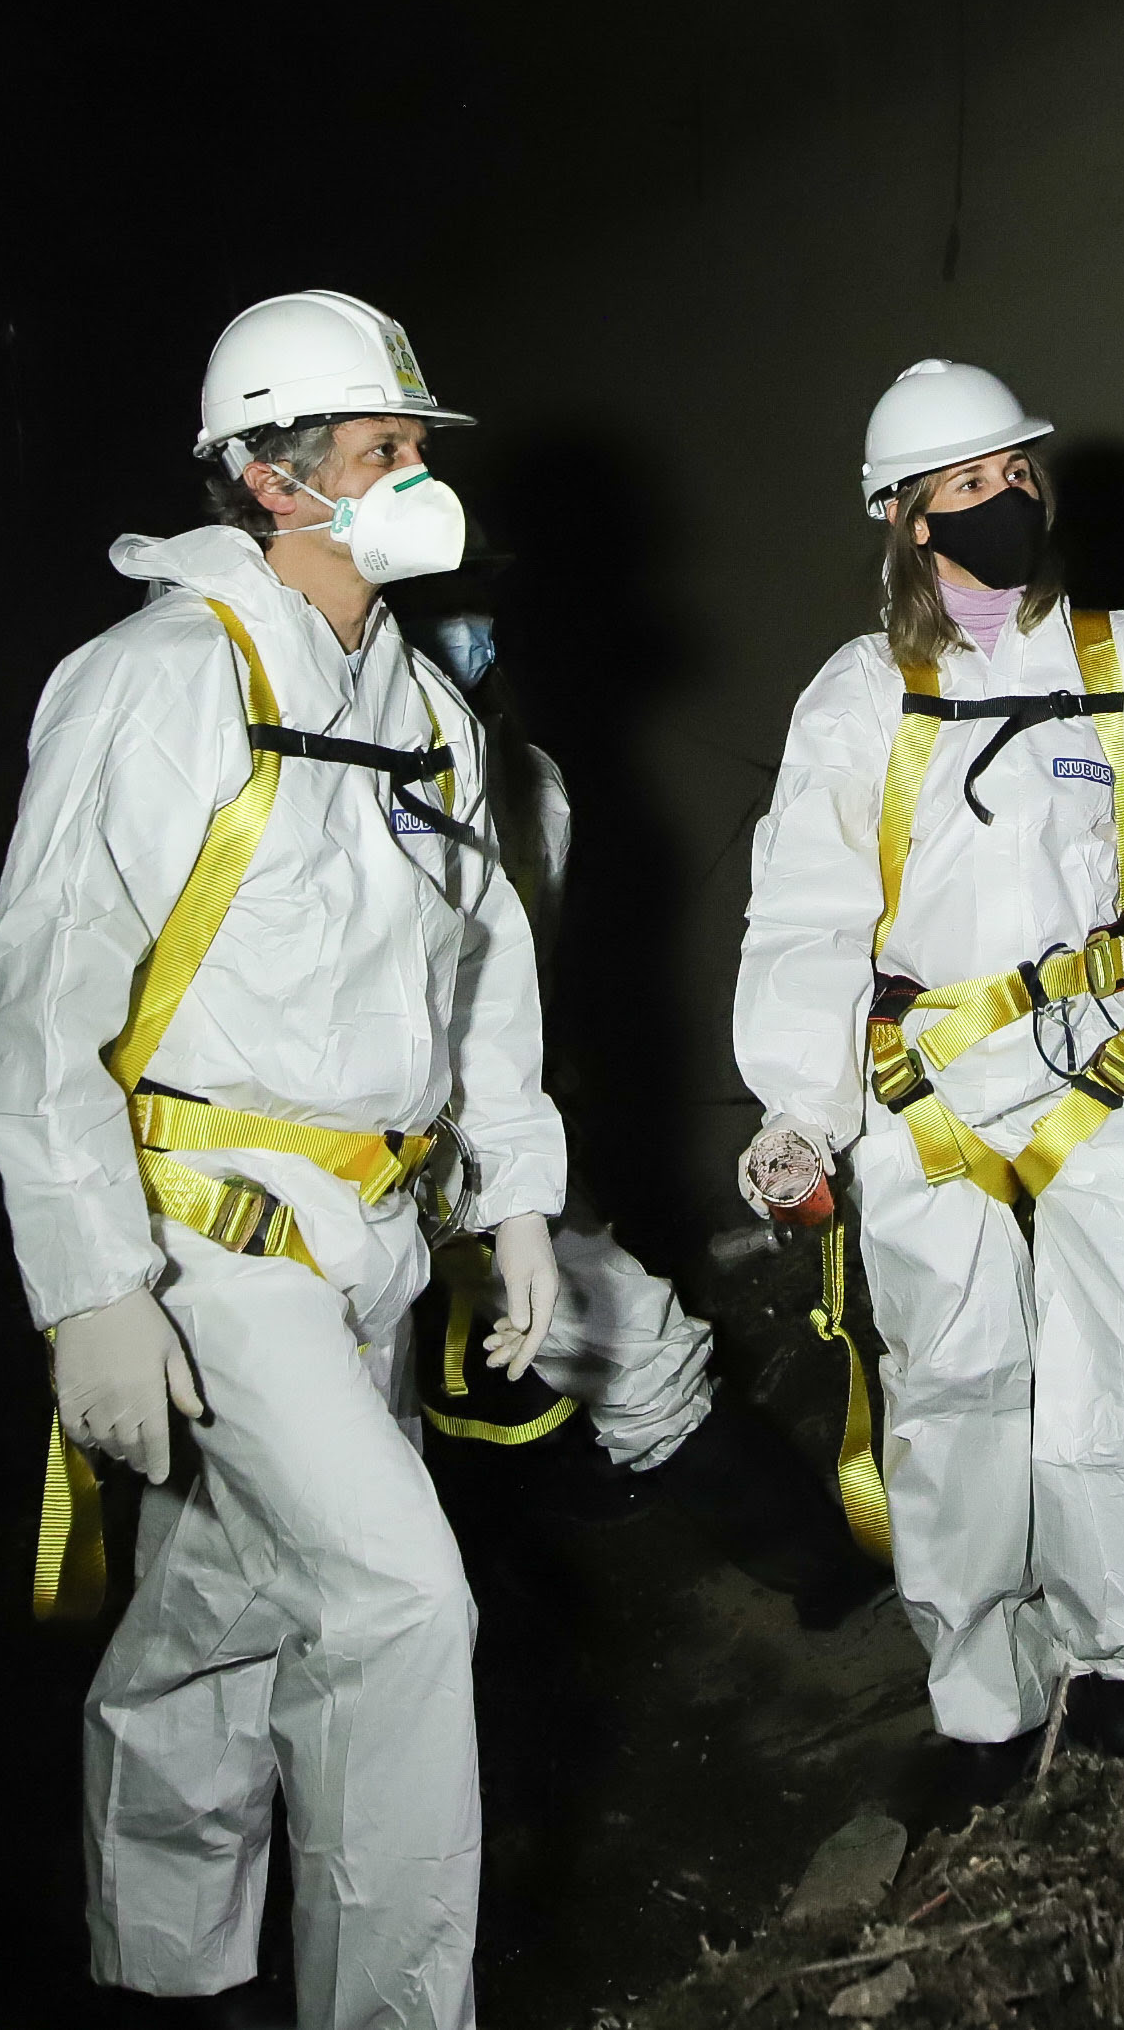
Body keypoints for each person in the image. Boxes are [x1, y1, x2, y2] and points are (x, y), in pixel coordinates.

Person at [0, 290, 565, 2030]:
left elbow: (486, 971)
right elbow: (37, 1003)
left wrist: (514, 1195)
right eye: (381, 451)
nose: (413, 479)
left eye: (415, 449)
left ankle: (159, 1957)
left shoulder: (423, 714)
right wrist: (90, 1284)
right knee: (397, 1601)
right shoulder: (149, 684)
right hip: (211, 1238)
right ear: (267, 477)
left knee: (230, 1596)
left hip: (373, 1235)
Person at [732, 359, 1124, 1772]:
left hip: (1093, 1069)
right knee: (961, 1398)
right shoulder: (858, 700)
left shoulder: (1118, 664)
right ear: (906, 520)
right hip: (919, 1095)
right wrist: (796, 1109)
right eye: (968, 487)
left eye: (1015, 475)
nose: (1006, 502)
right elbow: (806, 908)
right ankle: (987, 1707)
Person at [406, 604, 880, 1629]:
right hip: (293, 1177)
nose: (470, 638)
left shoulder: (522, 785)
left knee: (632, 1350)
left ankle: (818, 1571)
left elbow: (508, 978)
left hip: (462, 1142)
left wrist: (526, 1137)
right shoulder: (302, 768)